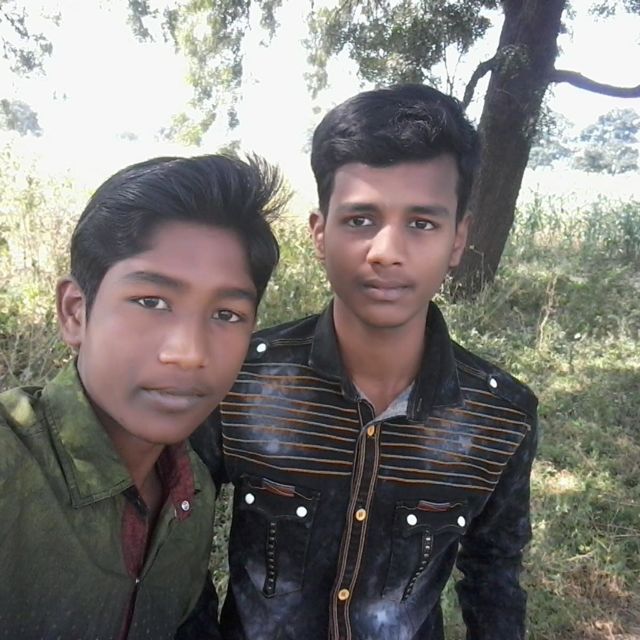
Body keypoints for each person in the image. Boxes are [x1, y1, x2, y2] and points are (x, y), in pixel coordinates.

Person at [193, 84, 538, 640]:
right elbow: (174, 538)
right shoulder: (240, 380)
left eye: (422, 223)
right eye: (360, 220)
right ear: (319, 232)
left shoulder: (499, 418)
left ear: (458, 239)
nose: (386, 252)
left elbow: (494, 570)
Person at [0, 154, 286, 639]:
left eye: (226, 314)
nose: (189, 353)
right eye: (151, 302)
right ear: (75, 312)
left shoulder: (192, 491)